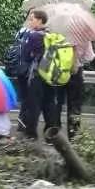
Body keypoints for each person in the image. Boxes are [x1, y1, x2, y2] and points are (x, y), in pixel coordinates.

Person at [17, 9, 63, 138]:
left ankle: (31, 134)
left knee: (34, 104)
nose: (30, 22)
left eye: (32, 19)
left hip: (37, 75)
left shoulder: (33, 36)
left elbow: (26, 55)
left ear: (39, 20)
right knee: (49, 104)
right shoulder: (52, 35)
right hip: (50, 76)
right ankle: (51, 135)